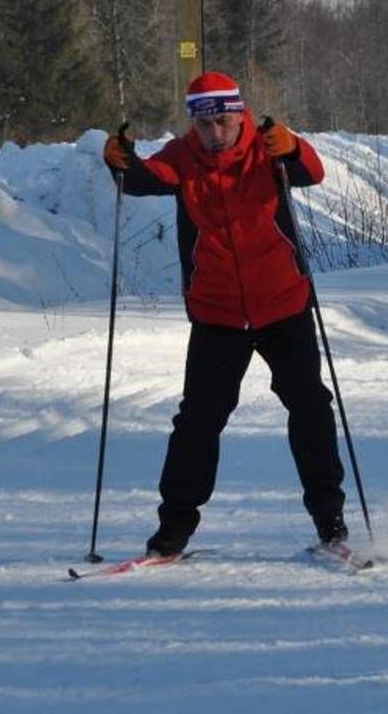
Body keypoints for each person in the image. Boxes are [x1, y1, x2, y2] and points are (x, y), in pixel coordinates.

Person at [102, 71, 348, 557]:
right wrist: (121, 162)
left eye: (223, 120)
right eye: (204, 123)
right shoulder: (183, 158)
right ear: (193, 123)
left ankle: (330, 522)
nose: (215, 132)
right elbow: (146, 179)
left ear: (239, 114)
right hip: (217, 314)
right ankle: (172, 531)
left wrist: (293, 147)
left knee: (311, 408)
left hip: (283, 304)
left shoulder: (270, 150)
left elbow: (312, 171)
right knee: (197, 420)